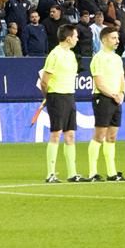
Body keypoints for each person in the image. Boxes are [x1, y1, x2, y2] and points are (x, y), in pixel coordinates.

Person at [41, 23, 82, 183]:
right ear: (68, 37)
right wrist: (49, 96)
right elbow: (45, 81)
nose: (77, 39)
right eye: (76, 36)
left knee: (70, 134)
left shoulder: (71, 55)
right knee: (56, 133)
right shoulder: (54, 54)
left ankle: (72, 173)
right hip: (56, 96)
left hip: (69, 95)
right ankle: (50, 173)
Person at [88, 26, 125, 181]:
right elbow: (99, 83)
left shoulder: (117, 58)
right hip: (103, 98)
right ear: (104, 40)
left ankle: (112, 172)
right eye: (113, 38)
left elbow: (122, 79)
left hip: (116, 99)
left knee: (112, 136)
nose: (117, 41)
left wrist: (121, 94)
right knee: (99, 135)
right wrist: (113, 95)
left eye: (117, 38)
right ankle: (92, 172)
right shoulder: (98, 58)